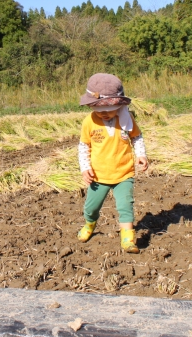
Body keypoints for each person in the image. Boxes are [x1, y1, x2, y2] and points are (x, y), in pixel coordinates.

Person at [77, 73, 148, 253]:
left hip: (124, 174)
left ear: (119, 106)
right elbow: (84, 146)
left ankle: (128, 238)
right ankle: (89, 224)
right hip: (98, 176)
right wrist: (85, 168)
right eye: (98, 110)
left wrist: (141, 154)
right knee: (91, 207)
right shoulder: (89, 122)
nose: (104, 114)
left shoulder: (127, 119)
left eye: (108, 109)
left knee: (125, 206)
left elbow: (137, 137)